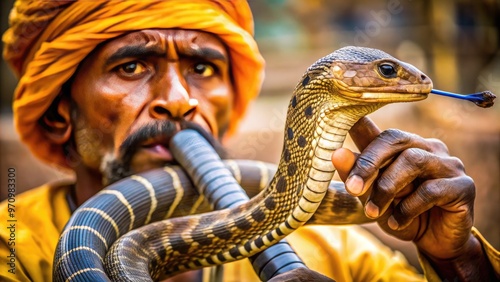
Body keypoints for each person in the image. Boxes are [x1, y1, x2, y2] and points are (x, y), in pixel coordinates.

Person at [0, 1, 498, 281]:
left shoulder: (335, 249)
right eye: (130, 67)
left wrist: (458, 260)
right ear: (59, 112)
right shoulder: (11, 247)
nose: (178, 101)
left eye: (202, 68)